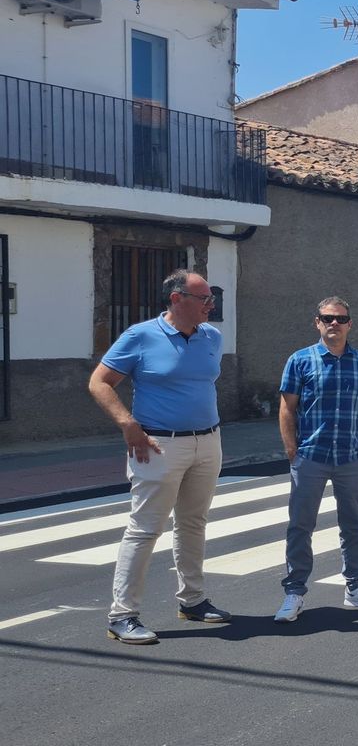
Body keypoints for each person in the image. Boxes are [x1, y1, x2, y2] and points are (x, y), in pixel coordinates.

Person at [88, 269, 231, 644]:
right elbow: (99, 381)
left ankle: (193, 601)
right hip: (159, 445)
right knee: (145, 528)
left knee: (193, 523)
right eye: (204, 299)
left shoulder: (211, 336)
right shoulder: (140, 336)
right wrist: (127, 423)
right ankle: (122, 615)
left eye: (212, 299)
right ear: (176, 298)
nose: (211, 306)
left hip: (208, 441)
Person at [272, 297, 358, 623]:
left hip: (352, 456)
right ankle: (294, 592)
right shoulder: (300, 361)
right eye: (327, 318)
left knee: (353, 524)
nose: (333, 323)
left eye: (340, 318)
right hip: (311, 456)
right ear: (317, 323)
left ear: (350, 323)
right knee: (300, 525)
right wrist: (291, 450)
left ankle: (355, 587)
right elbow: (286, 408)